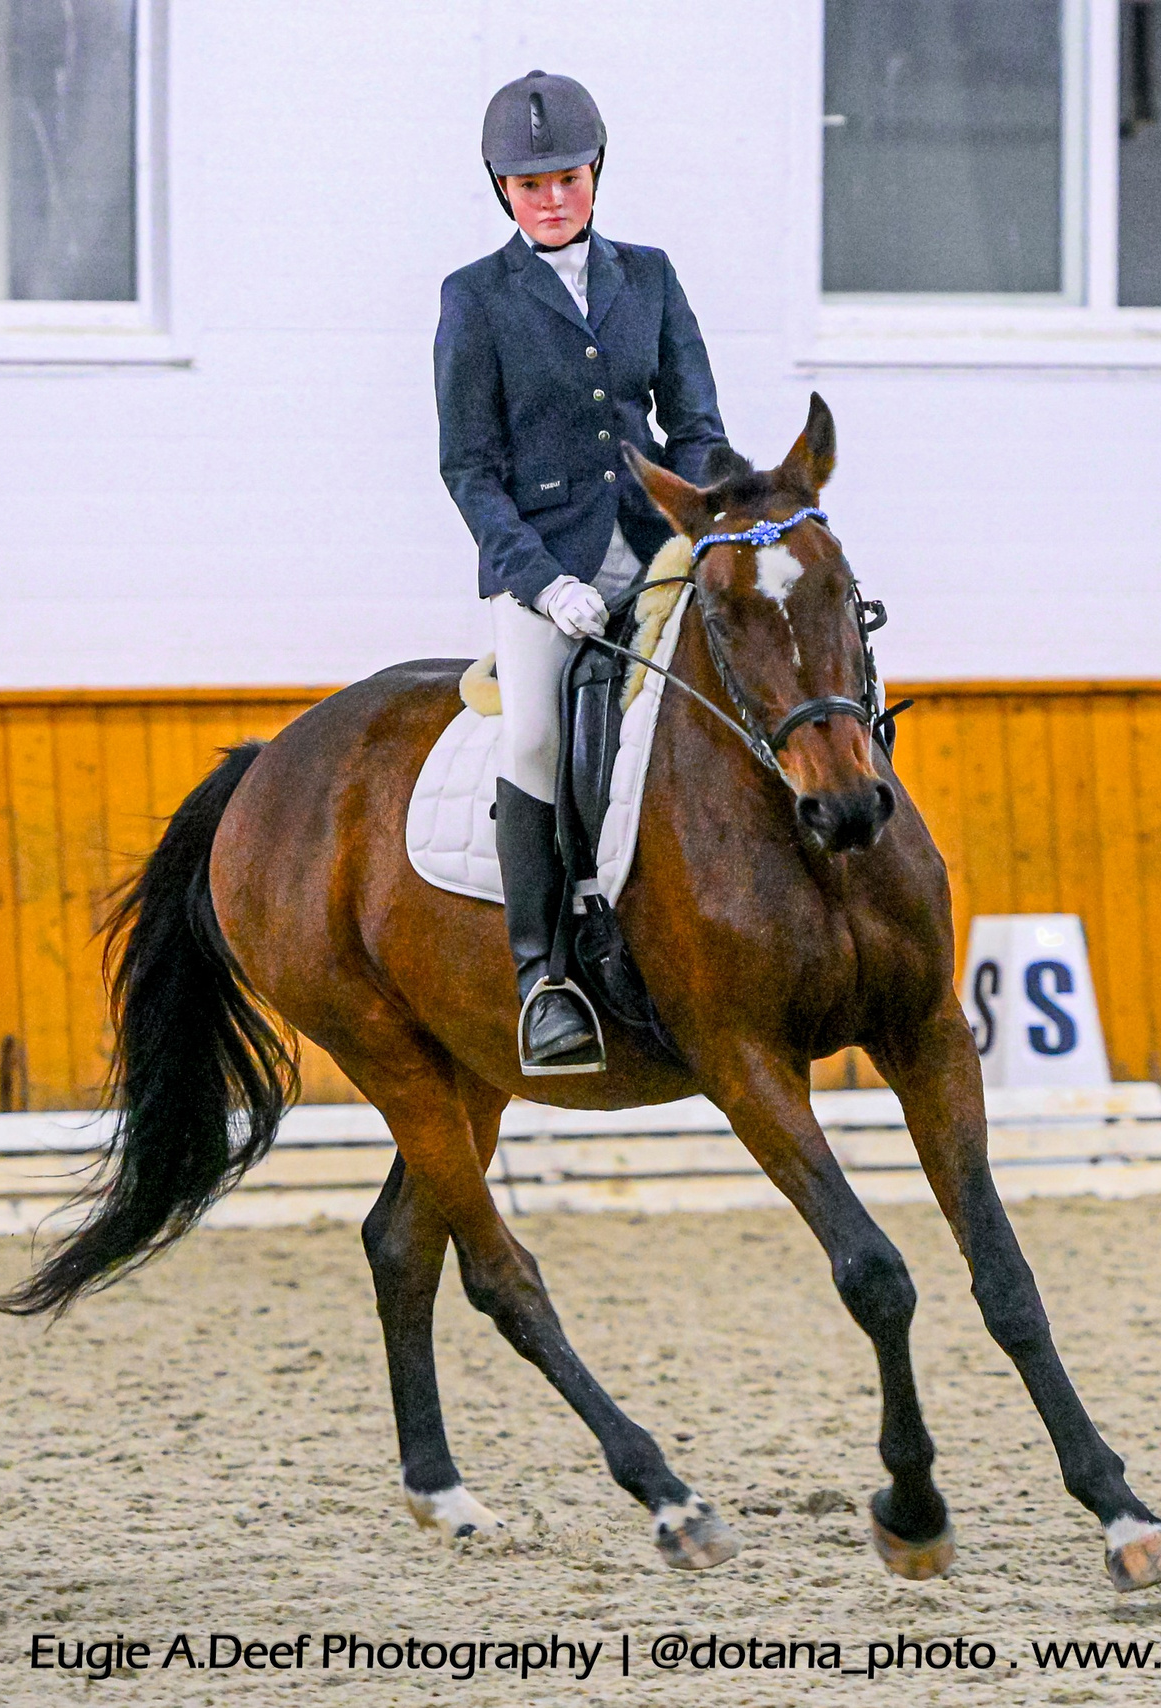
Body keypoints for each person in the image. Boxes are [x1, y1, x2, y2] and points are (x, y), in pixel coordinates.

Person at [435, 69, 733, 1074]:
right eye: (530, 185)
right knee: (529, 736)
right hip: (544, 564)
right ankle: (541, 976)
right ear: (502, 192)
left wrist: (695, 532)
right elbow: (467, 468)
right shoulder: (474, 299)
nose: (551, 197)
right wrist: (533, 578)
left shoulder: (647, 275)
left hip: (655, 551)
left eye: (565, 177)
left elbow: (696, 427)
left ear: (594, 174)